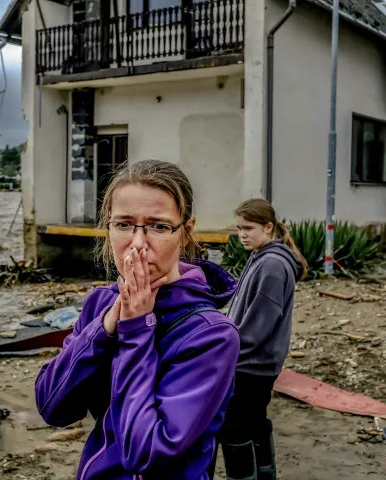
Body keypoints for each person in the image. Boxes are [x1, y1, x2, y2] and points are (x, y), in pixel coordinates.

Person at [35, 159, 241, 479]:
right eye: (124, 224)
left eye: (158, 226)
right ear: (109, 229)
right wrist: (103, 330)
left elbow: (146, 453)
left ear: (185, 233)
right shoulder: (100, 305)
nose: (138, 244)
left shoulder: (211, 335)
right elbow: (52, 405)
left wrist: (136, 331)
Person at [209, 198, 307, 480]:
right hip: (257, 364)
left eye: (249, 228)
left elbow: (258, 328)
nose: (242, 234)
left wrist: (225, 353)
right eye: (239, 228)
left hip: (251, 365)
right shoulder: (262, 257)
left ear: (268, 227)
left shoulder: (272, 265)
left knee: (234, 427)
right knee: (254, 424)